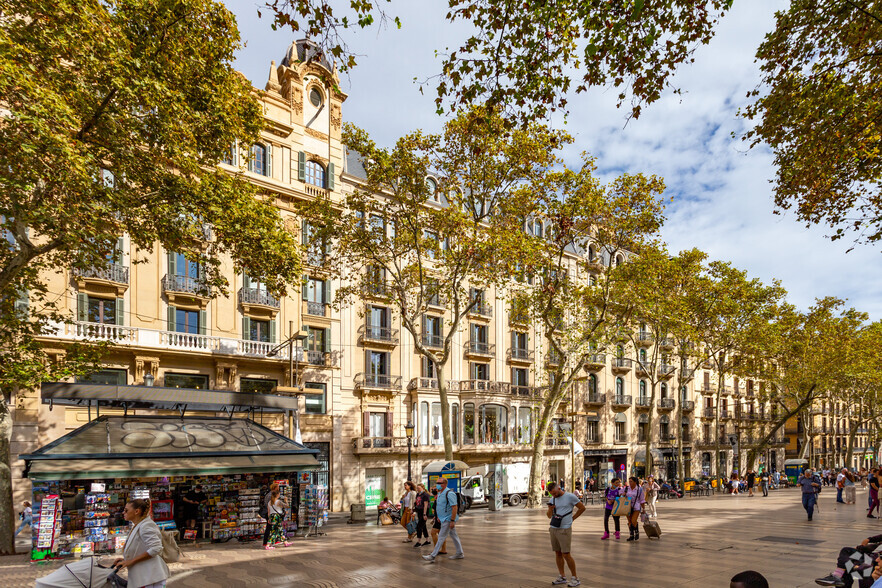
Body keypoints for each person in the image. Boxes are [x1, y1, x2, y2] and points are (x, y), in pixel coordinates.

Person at [113, 499, 170, 588]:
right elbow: (140, 547)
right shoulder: (139, 524)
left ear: (137, 511)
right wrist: (126, 559)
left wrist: (131, 561)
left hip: (149, 577)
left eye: (126, 510)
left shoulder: (145, 525)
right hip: (145, 577)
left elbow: (156, 548)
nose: (123, 513)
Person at [544, 482, 585, 587]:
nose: (553, 495)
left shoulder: (570, 497)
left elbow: (582, 508)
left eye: (554, 493)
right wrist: (550, 509)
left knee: (566, 554)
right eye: (551, 494)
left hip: (565, 529)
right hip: (554, 528)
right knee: (557, 553)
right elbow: (549, 516)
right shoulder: (552, 499)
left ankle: (575, 578)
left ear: (558, 488)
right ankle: (562, 576)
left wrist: (573, 519)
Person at [815, 531, 882, 587]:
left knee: (858, 570)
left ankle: (839, 575)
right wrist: (868, 540)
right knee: (846, 551)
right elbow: (872, 542)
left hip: (872, 561)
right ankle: (838, 575)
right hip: (866, 555)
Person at [422, 476, 463, 562]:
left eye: (439, 483)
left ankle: (432, 556)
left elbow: (454, 507)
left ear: (444, 484)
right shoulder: (440, 493)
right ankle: (460, 553)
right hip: (443, 518)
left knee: (441, 537)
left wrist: (452, 520)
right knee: (454, 535)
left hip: (448, 519)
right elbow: (440, 507)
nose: (437, 485)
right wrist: (438, 517)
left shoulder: (449, 493)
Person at [265, 483, 291, 549]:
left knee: (280, 530)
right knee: (273, 531)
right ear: (277, 495)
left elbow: (268, 512)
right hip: (277, 517)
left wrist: (269, 519)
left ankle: (285, 542)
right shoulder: (278, 502)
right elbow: (287, 506)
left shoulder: (269, 502)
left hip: (272, 517)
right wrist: (286, 501)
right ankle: (268, 545)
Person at [625, 476, 645, 542]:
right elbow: (620, 494)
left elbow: (642, 499)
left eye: (631, 481)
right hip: (628, 507)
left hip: (636, 506)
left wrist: (643, 509)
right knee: (630, 521)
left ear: (635, 482)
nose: (630, 483)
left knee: (633, 520)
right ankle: (631, 535)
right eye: (629, 481)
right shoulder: (627, 488)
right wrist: (622, 494)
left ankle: (636, 532)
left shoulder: (639, 489)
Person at [429, 486, 447, 555]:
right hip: (439, 518)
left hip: (440, 518)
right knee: (441, 533)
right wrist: (434, 517)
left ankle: (436, 549)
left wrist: (439, 516)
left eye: (435, 489)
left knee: (433, 532)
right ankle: (443, 549)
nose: (433, 490)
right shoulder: (438, 497)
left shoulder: (440, 497)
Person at [413, 483, 431, 547]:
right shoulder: (418, 494)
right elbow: (416, 502)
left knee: (419, 526)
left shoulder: (425, 495)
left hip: (424, 511)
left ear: (423, 488)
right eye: (417, 488)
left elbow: (425, 505)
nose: (417, 489)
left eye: (419, 488)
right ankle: (427, 540)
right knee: (423, 526)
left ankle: (419, 542)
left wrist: (424, 514)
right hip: (419, 511)